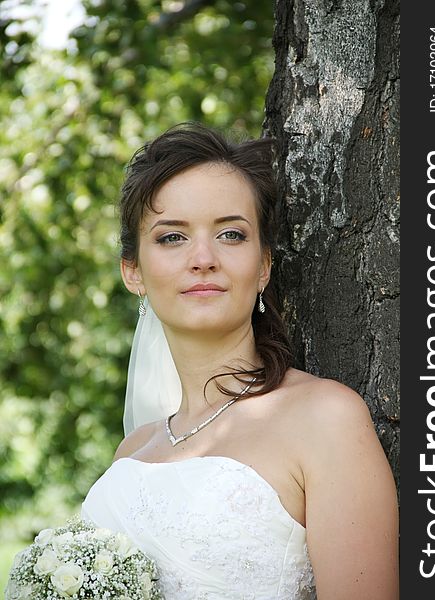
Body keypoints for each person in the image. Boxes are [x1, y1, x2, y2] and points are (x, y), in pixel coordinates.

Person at [81, 122, 399, 599]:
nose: (203, 258)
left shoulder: (324, 417)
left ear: (264, 265)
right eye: (172, 237)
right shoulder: (133, 452)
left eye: (230, 234)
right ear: (133, 272)